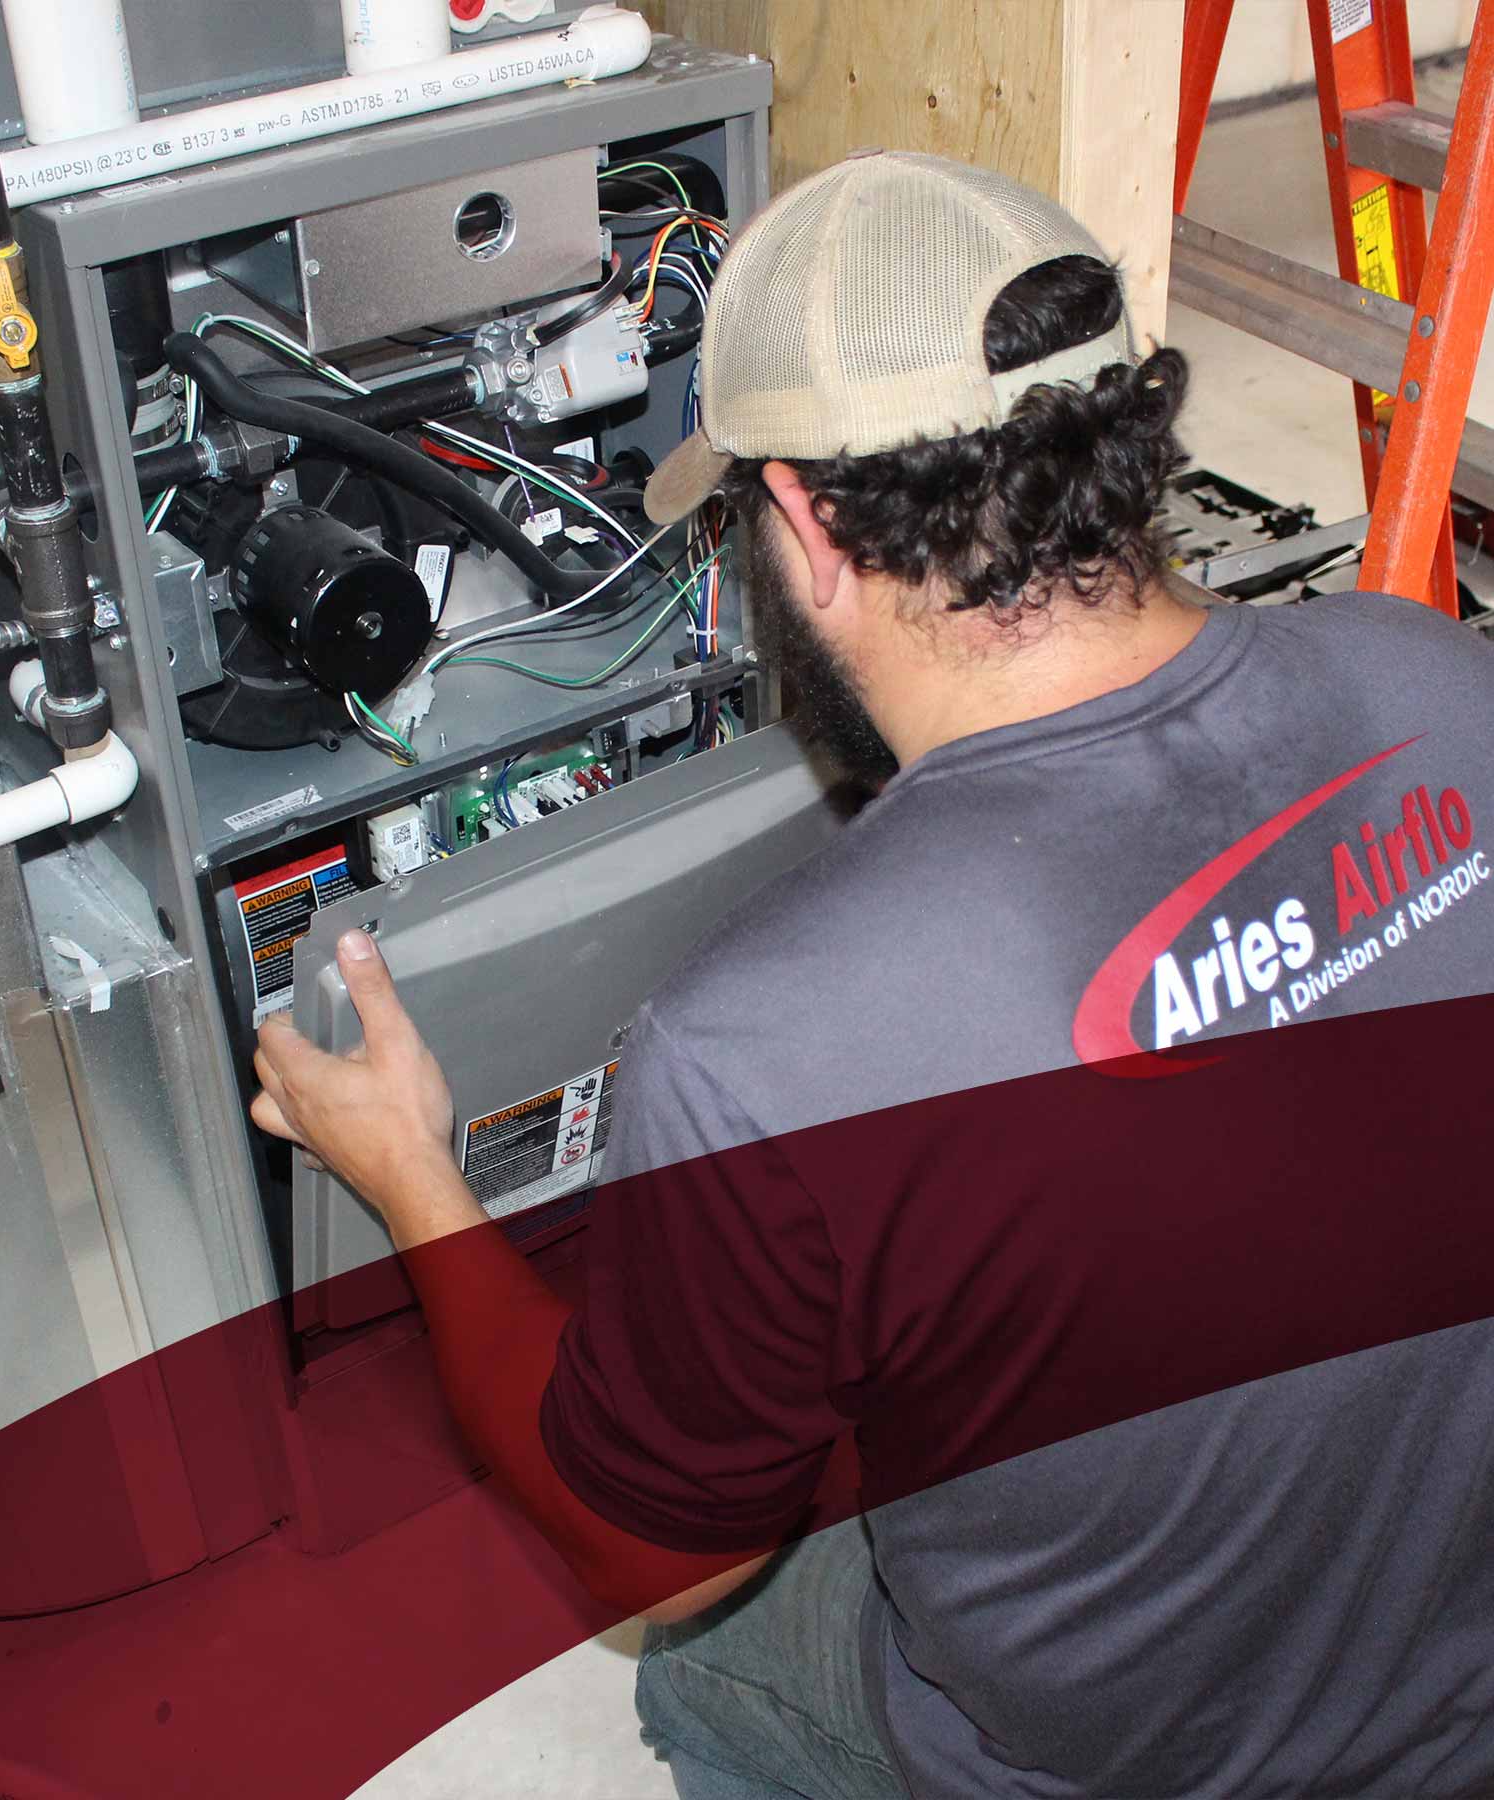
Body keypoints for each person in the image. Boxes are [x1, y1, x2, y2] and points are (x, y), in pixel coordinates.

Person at [251, 152, 1494, 1799]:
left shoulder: (771, 1044)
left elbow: (653, 1567)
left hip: (1127, 1768)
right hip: (1448, 1680)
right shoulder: (1440, 679)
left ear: (804, 526)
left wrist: (413, 1177)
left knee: (702, 1666)